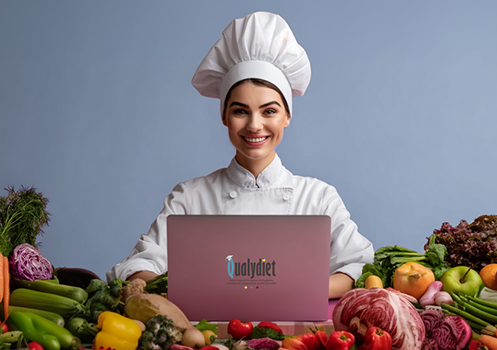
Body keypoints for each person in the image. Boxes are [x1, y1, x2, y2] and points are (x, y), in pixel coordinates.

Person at [106, 11, 374, 299]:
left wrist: (290, 289)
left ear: (287, 116)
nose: (254, 125)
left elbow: (358, 266)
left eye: (269, 111)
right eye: (240, 111)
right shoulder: (190, 197)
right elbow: (140, 264)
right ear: (224, 116)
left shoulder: (319, 197)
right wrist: (197, 289)